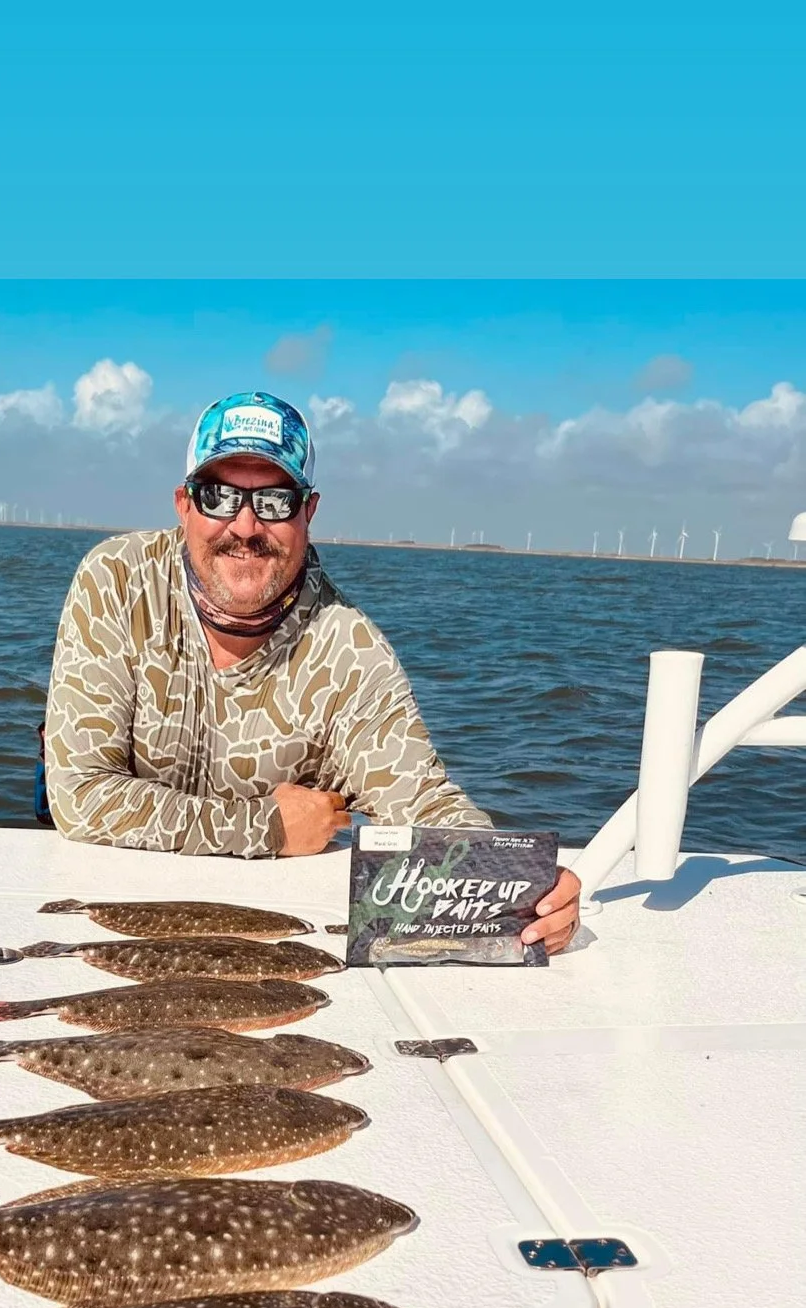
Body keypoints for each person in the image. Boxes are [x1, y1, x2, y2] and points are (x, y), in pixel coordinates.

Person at [44, 390, 580, 952]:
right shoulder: (115, 581)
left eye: (274, 500)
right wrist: (265, 828)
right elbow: (79, 795)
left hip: (268, 931)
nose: (245, 526)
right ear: (184, 505)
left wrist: (521, 885)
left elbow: (425, 802)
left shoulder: (350, 650)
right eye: (218, 496)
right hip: (110, 904)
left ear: (309, 511)